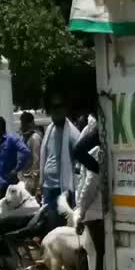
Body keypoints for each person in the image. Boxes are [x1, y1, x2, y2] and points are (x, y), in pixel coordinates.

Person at [73, 114, 107, 270]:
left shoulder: (94, 151)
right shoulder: (99, 149)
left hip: (94, 215)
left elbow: (89, 185)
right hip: (98, 214)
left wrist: (80, 211)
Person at [40, 93, 80, 229]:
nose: (55, 111)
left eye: (59, 107)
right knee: (48, 225)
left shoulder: (73, 134)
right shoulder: (49, 129)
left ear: (65, 110)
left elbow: (80, 163)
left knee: (60, 228)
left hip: (62, 190)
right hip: (47, 187)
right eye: (53, 108)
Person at [0, 116, 31, 198]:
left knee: (13, 209)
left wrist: (16, 169)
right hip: (0, 184)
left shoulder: (11, 139)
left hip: (11, 184)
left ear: (1, 128)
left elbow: (26, 151)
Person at [19, 111, 42, 197]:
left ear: (31, 123)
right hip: (23, 178)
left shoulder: (35, 138)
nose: (22, 126)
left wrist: (36, 186)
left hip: (31, 180)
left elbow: (37, 161)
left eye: (25, 123)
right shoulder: (24, 137)